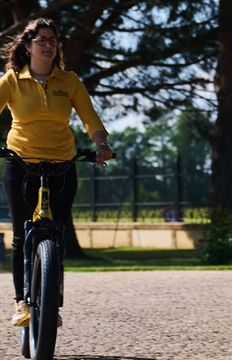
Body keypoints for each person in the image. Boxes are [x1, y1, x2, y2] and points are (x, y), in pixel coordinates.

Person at [0, 18, 113, 327]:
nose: (48, 45)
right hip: (21, 161)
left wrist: (101, 143)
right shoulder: (11, 80)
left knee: (58, 232)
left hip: (62, 161)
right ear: (28, 46)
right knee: (22, 232)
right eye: (42, 40)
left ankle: (53, 298)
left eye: (52, 40)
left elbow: (89, 118)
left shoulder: (70, 82)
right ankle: (22, 302)